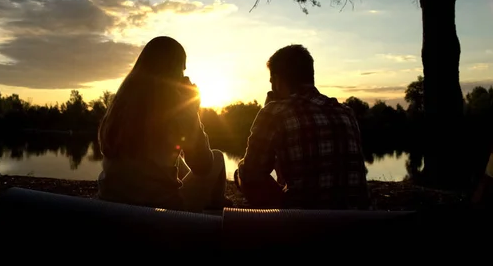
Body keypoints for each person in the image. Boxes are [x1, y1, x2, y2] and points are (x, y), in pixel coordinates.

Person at [97, 36, 231, 212]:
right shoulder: (176, 106)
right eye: (182, 70)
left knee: (177, 164)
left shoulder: (120, 102)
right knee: (218, 158)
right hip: (159, 211)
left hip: (110, 202)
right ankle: (209, 219)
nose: (184, 76)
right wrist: (192, 108)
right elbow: (203, 166)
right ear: (174, 70)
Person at [235, 44, 370, 210]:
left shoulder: (275, 112)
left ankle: (276, 227)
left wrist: (269, 109)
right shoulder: (346, 112)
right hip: (357, 222)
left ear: (277, 81)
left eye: (272, 81)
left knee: (243, 172)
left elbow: (252, 171)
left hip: (303, 223)